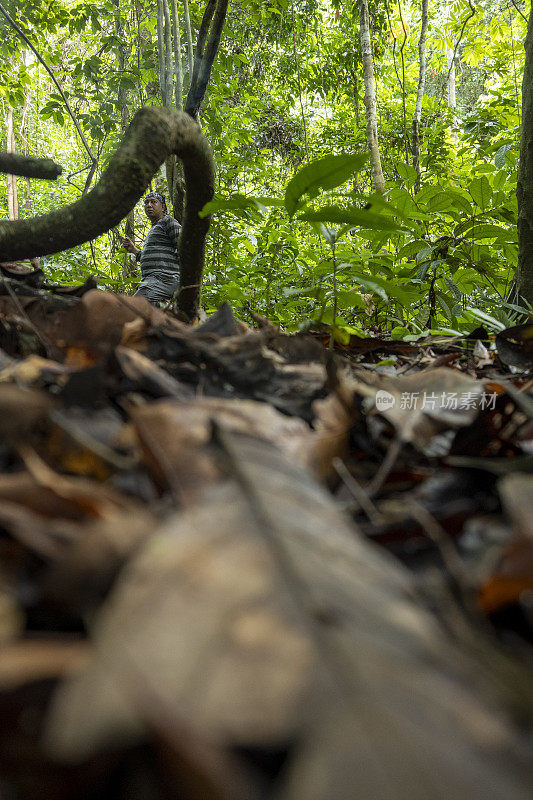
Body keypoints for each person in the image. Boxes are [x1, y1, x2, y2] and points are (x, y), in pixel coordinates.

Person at [123, 192, 182, 305]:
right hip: (152, 280)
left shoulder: (168, 221)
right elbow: (157, 257)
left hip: (164, 279)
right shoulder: (155, 228)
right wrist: (135, 251)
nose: (149, 205)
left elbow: (184, 246)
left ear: (163, 207)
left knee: (134, 306)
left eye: (153, 202)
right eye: (146, 202)